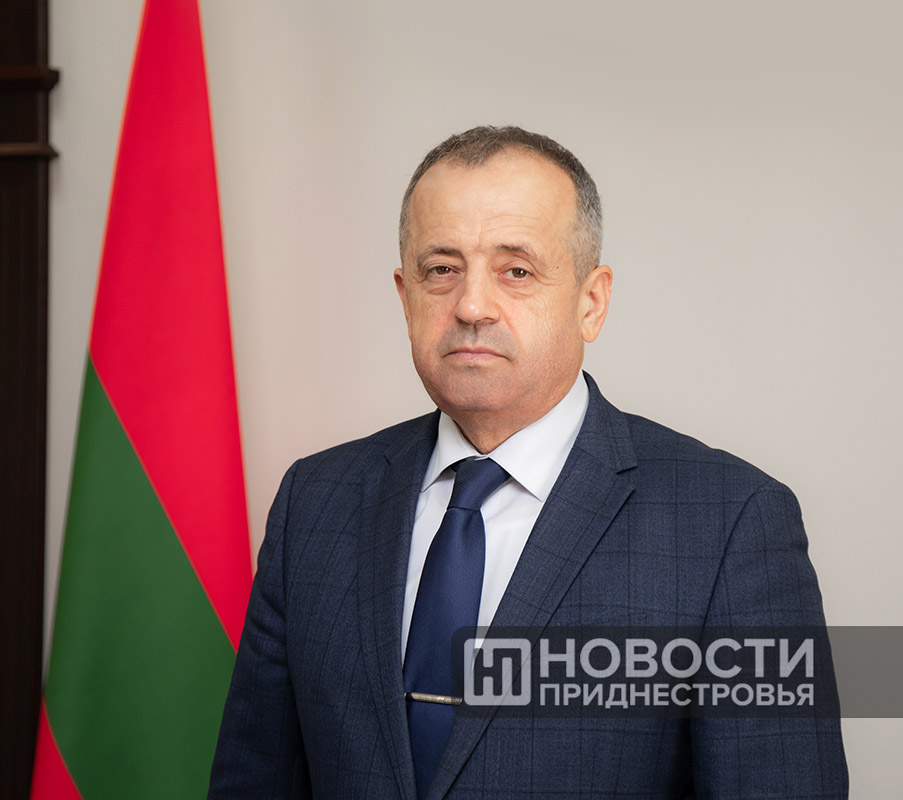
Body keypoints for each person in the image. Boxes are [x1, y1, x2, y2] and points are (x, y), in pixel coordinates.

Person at [208, 126, 848, 799]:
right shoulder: (315, 502)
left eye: (516, 270)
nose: (471, 306)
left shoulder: (730, 525)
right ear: (405, 296)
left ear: (591, 302)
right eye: (441, 270)